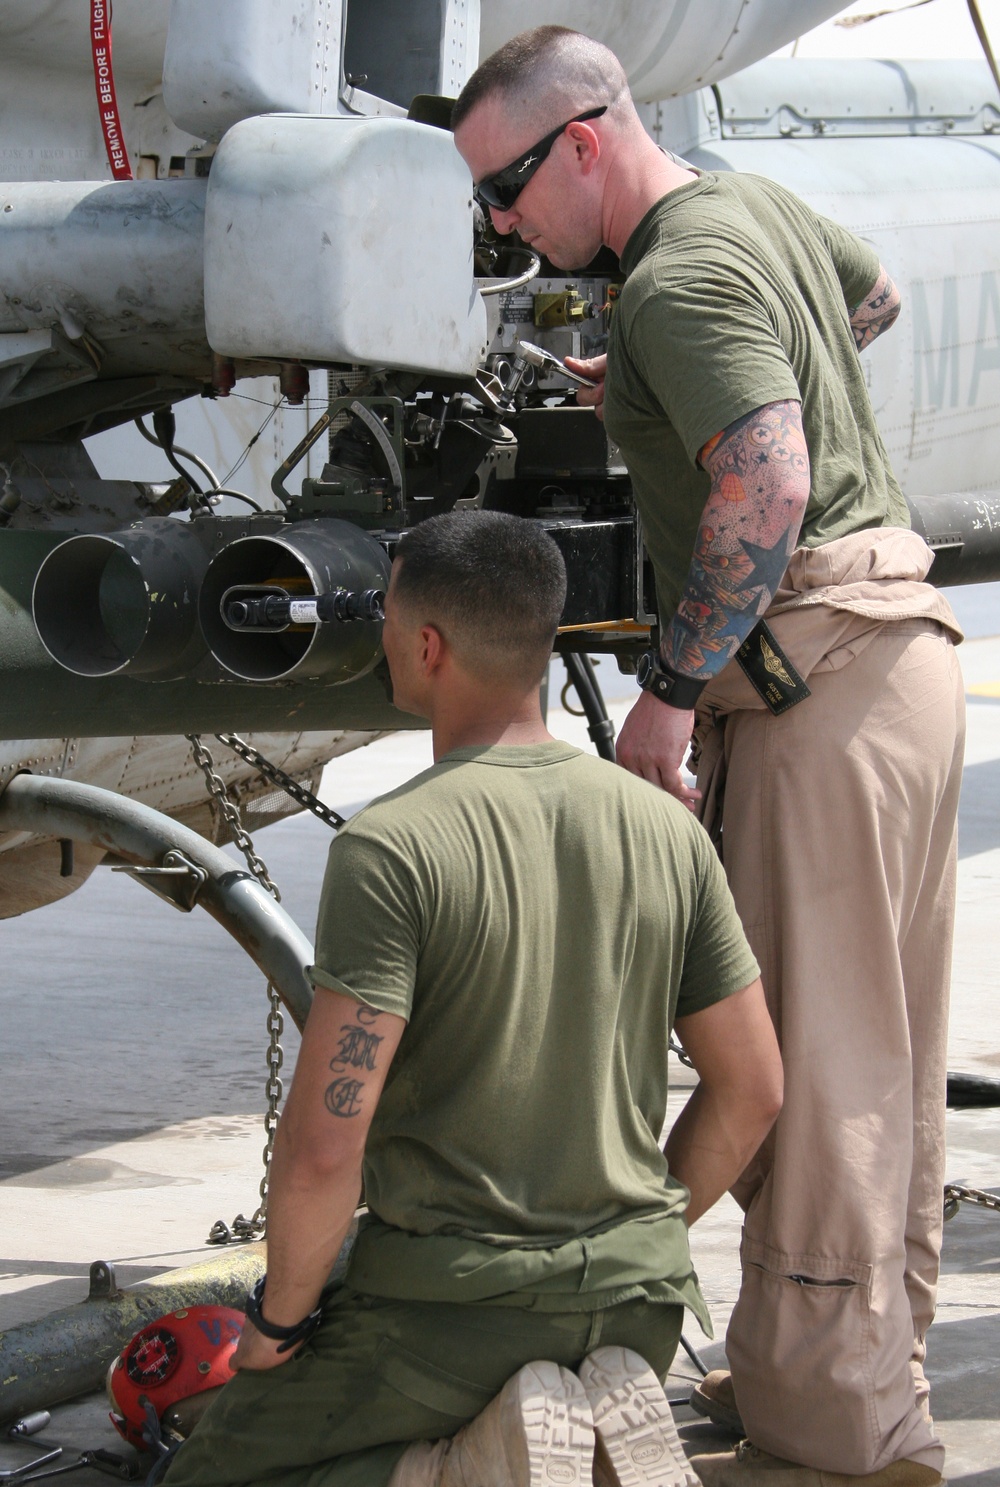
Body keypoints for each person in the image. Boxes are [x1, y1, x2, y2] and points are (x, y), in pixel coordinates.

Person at [451, 26, 966, 1487]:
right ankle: (848, 1363)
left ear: (589, 141)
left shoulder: (678, 274)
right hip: (896, 658)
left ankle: (841, 1430)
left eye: (507, 187)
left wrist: (669, 690)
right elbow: (871, 298)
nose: (502, 224)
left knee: (814, 1060)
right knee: (889, 1052)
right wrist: (663, 375)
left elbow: (772, 471)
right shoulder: (746, 212)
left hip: (813, 679)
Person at [163, 510, 781, 1487]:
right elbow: (751, 1087)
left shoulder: (391, 847)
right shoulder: (667, 830)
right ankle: (558, 1433)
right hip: (640, 1302)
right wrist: (639, 1236)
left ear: (425, 644)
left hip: (446, 1317)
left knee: (211, 1467)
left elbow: (328, 1141)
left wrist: (279, 1321)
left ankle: (458, 1467)